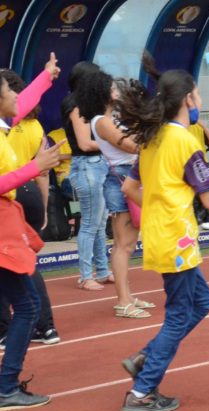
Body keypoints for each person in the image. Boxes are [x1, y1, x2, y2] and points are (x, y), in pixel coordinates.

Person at [116, 61, 209, 411]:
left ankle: (145, 357)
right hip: (176, 239)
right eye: (197, 93)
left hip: (162, 234)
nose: (199, 98)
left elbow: (130, 187)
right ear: (187, 98)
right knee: (180, 314)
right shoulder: (184, 140)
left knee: (201, 302)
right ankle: (141, 391)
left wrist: (157, 208)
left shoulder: (152, 139)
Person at [0, 53, 63, 410]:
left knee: (24, 303)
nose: (15, 96)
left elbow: (23, 104)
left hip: (8, 225)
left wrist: (46, 76)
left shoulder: (4, 123)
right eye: (10, 89)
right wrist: (34, 167)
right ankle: (7, 385)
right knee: (26, 305)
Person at [84, 71, 156, 319]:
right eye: (111, 86)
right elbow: (129, 145)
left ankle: (127, 296)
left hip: (128, 176)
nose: (116, 89)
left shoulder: (110, 118)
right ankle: (123, 301)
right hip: (121, 178)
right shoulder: (101, 121)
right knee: (123, 245)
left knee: (126, 243)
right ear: (100, 91)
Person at [61, 61, 112, 289]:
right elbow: (83, 142)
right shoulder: (76, 105)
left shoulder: (88, 105)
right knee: (91, 223)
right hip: (87, 165)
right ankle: (85, 275)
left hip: (96, 165)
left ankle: (101, 270)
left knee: (100, 223)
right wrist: (112, 142)